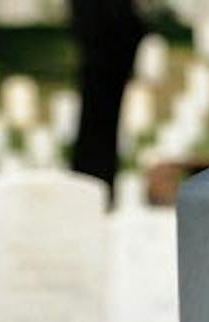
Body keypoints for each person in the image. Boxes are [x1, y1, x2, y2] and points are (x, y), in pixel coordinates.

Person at [70, 0, 147, 187]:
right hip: (105, 35)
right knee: (98, 121)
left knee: (101, 122)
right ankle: (93, 180)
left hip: (109, 34)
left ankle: (95, 180)